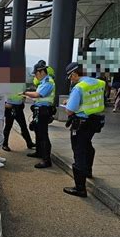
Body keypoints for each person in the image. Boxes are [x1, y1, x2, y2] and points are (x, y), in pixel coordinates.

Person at [63, 62, 106, 198]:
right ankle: (88, 171)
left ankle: (80, 188)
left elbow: (70, 110)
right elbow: (90, 100)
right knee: (87, 145)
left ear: (75, 74)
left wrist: (67, 105)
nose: (71, 79)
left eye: (70, 77)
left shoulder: (79, 88)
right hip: (95, 121)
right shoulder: (100, 83)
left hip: (81, 122)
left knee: (79, 152)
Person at [21, 60, 56, 169]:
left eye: (36, 73)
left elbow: (38, 94)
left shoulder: (48, 82)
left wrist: (25, 93)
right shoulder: (43, 82)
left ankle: (46, 160)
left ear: (41, 72)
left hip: (44, 111)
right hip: (39, 110)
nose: (35, 76)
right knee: (38, 132)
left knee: (43, 134)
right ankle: (39, 152)